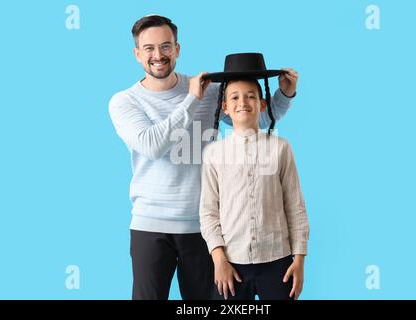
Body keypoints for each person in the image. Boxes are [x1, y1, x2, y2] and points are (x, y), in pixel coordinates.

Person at [108, 15, 299, 300]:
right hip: (150, 226)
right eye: (149, 48)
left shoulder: (208, 90)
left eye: (165, 46)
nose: (158, 55)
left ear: (177, 49)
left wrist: (285, 95)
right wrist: (191, 100)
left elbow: (251, 123)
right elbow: (152, 145)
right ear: (137, 54)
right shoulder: (125, 101)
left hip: (203, 229)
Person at [199, 53, 309, 300]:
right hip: (231, 263)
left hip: (278, 261)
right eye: (235, 97)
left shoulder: (281, 148)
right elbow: (208, 212)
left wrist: (299, 258)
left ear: (262, 104)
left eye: (251, 96)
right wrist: (219, 259)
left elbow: (295, 205)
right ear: (225, 106)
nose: (243, 102)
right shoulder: (214, 153)